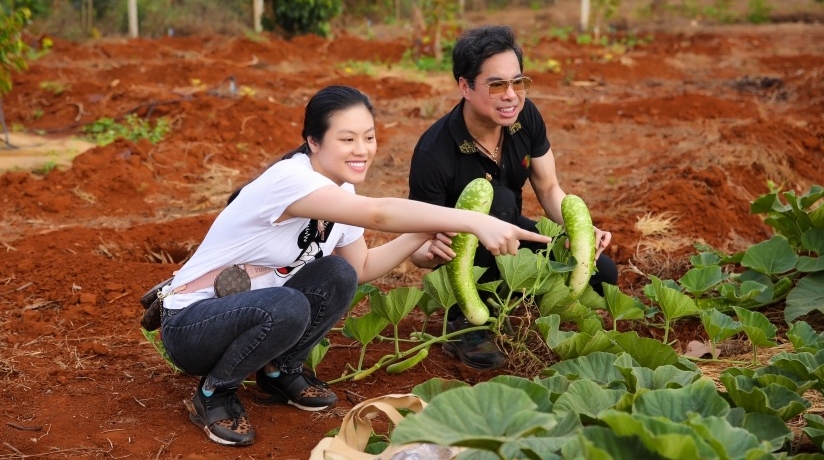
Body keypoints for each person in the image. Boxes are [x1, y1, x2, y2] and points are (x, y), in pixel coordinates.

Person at [158, 85, 549, 447]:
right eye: (347, 139)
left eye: (369, 137)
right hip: (191, 327)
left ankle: (280, 371)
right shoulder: (291, 180)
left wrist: (422, 235)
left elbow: (361, 267)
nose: (361, 149)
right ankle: (215, 393)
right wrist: (473, 220)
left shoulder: (341, 190)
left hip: (250, 313)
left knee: (338, 274)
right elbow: (378, 213)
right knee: (289, 306)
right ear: (313, 141)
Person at [408, 25, 619, 370]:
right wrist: (427, 254)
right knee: (500, 201)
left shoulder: (526, 117)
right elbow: (416, 240)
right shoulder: (434, 153)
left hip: (509, 235)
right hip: (461, 259)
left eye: (517, 82)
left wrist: (578, 232)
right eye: (496, 85)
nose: (511, 95)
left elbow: (549, 187)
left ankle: (512, 297)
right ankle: (465, 320)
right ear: (465, 86)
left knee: (602, 273)